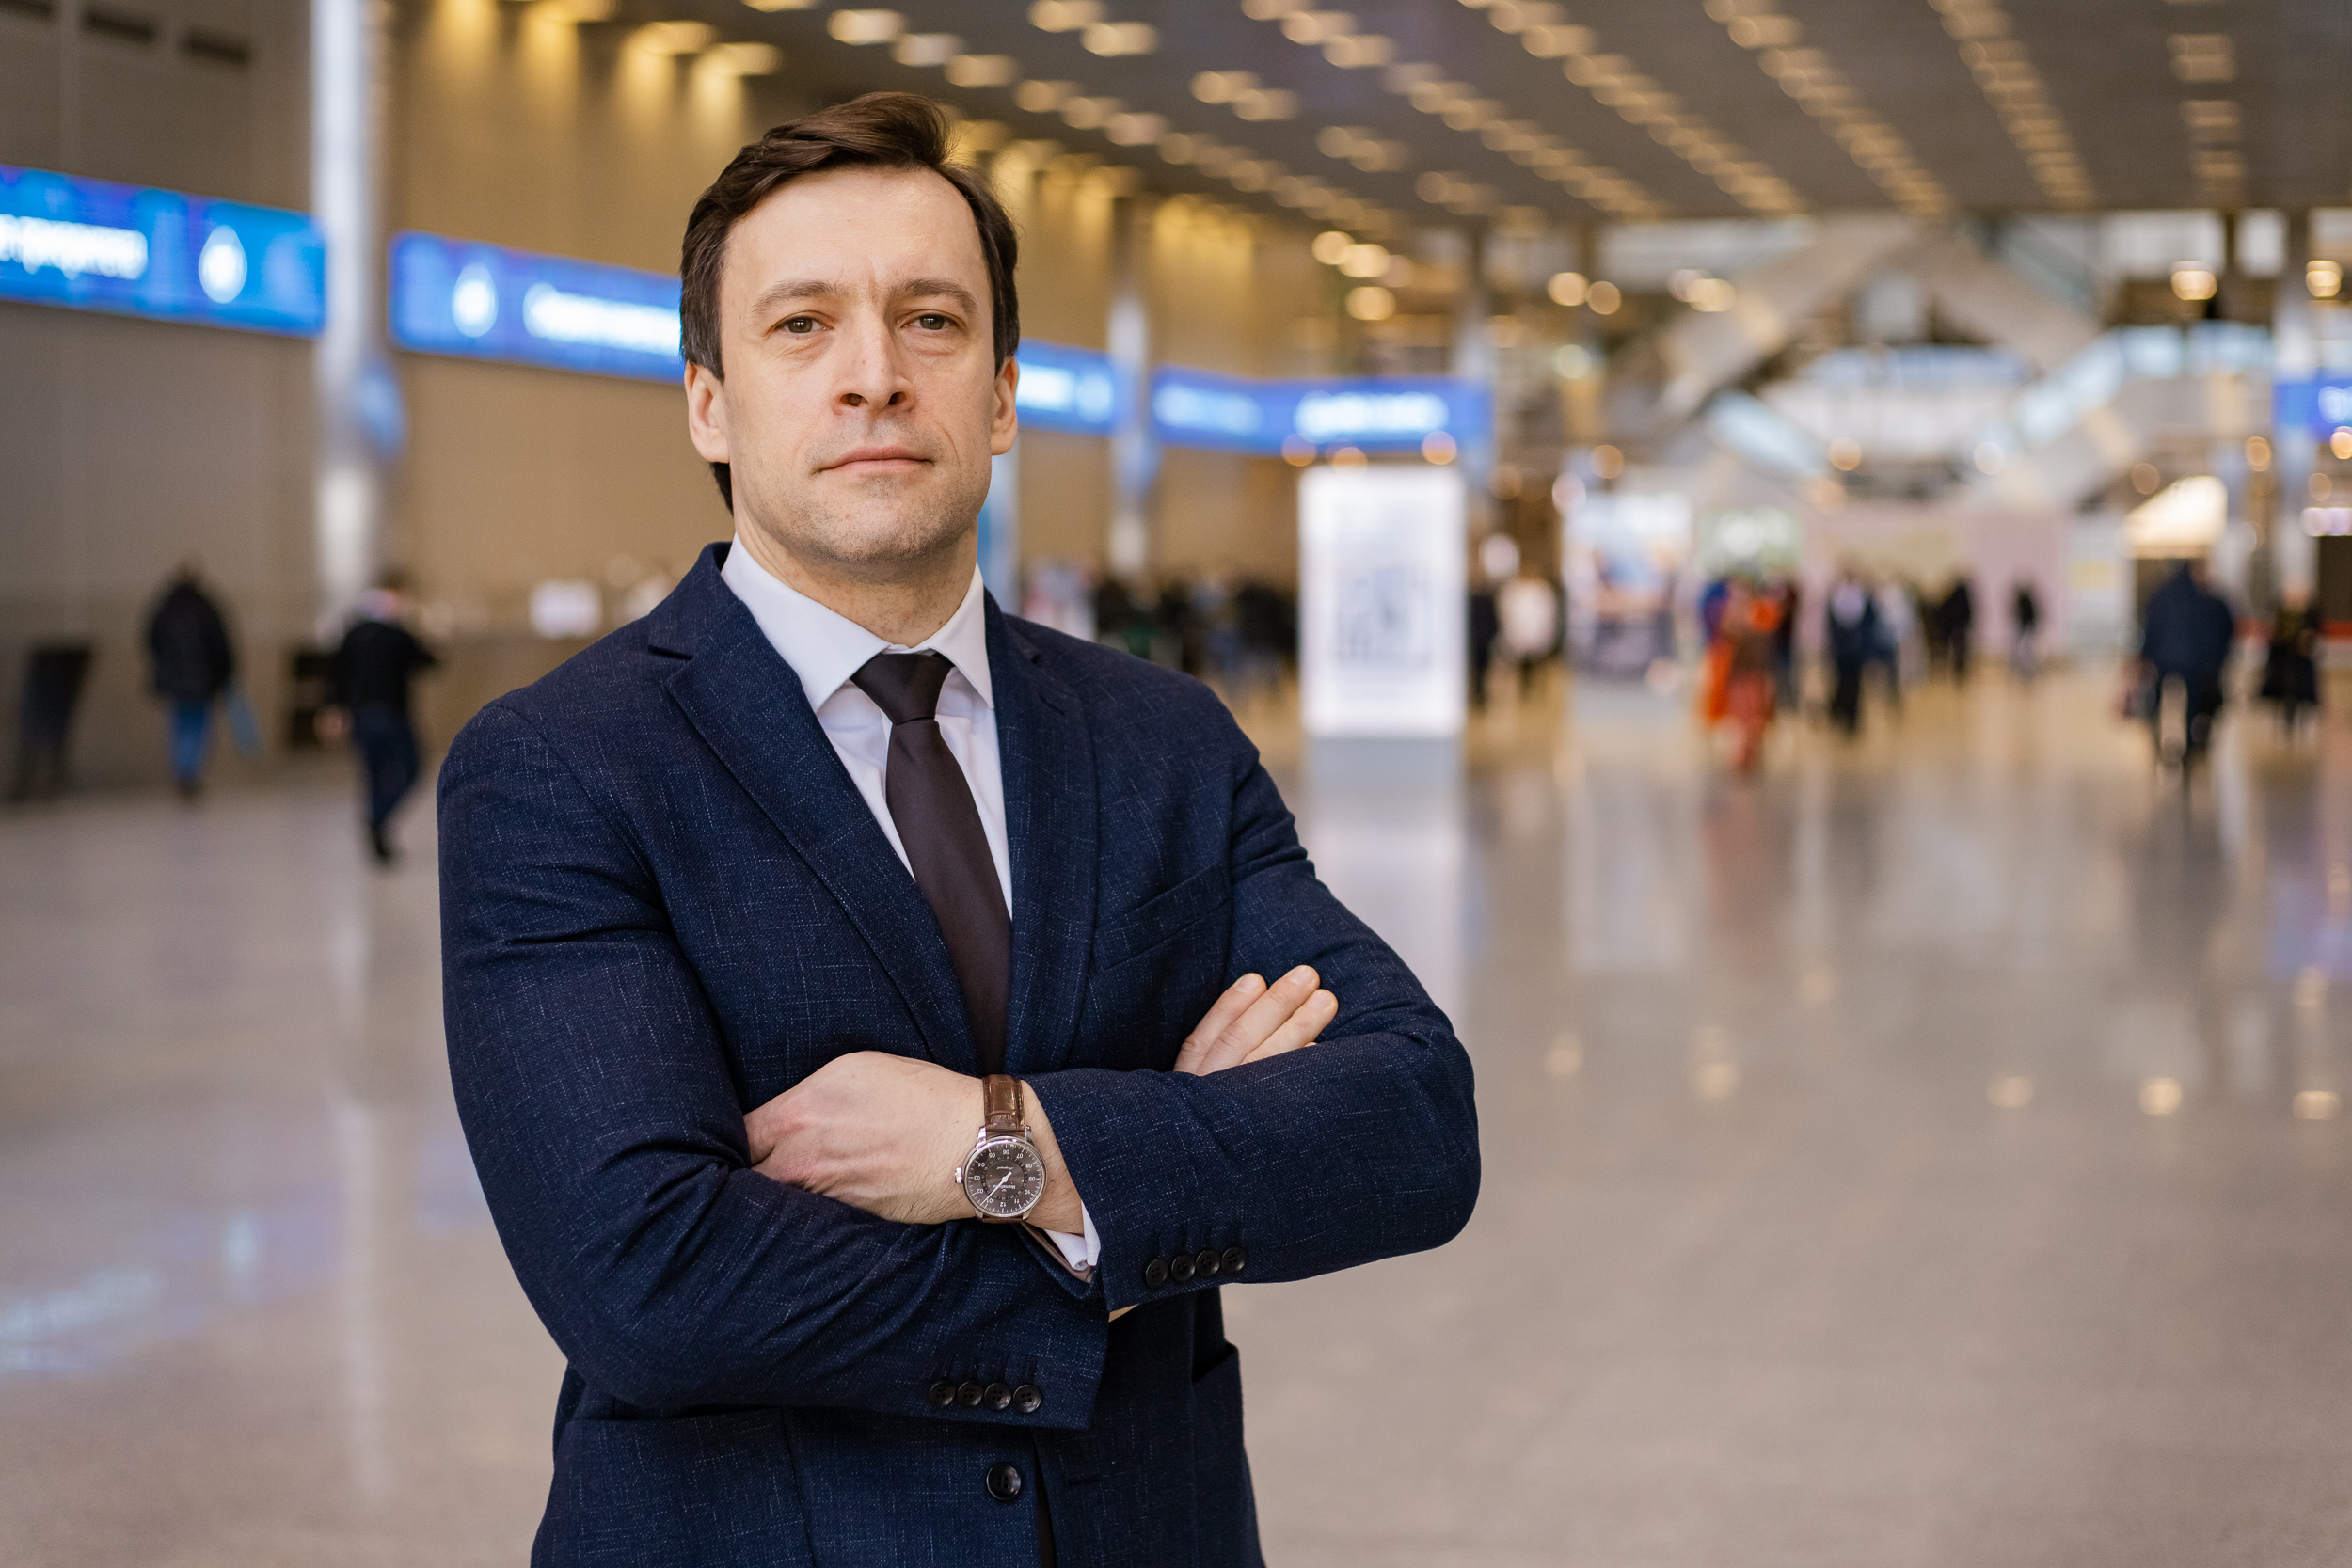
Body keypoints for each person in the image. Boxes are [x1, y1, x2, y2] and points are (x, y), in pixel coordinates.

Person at [435, 95, 1479, 1568]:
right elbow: (649, 1279)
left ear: (999, 395)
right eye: (803, 325)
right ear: (708, 402)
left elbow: (1414, 1123)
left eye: (929, 320)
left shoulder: (1163, 739)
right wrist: (1117, 1222)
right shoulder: (562, 765)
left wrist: (1001, 1143)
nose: (874, 375)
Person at [327, 574, 438, 864]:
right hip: (388, 713)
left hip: (367, 714)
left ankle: (377, 823)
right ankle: (378, 822)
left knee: (378, 775)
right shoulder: (394, 632)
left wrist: (335, 708)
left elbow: (338, 673)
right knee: (408, 768)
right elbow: (427, 662)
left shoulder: (357, 631)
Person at [144, 560, 235, 799]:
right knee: (198, 726)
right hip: (202, 679)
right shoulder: (205, 606)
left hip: (177, 681)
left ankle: (183, 770)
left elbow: (151, 639)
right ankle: (189, 772)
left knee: (180, 724)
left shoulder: (166, 607)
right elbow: (220, 644)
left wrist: (164, 668)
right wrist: (225, 672)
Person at [2137, 558, 2236, 766]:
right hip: (2192, 661)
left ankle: (2159, 739)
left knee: (2159, 700)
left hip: (2164, 659)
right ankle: (2188, 746)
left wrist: (2146, 656)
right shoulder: (2203, 596)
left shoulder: (2161, 594)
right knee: (2191, 703)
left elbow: (2152, 627)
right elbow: (2213, 631)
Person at [1824, 567, 1879, 737]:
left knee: (1853, 685)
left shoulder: (1861, 596)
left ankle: (1851, 719)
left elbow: (1869, 625)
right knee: (1843, 683)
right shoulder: (1838, 596)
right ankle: (1844, 715)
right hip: (1844, 650)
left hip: (1854, 650)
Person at [2258, 591, 2322, 736]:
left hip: (2296, 663)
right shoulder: (2280, 614)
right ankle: (2288, 719)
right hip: (2285, 662)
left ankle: (2293, 719)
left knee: (2297, 690)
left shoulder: (2308, 616)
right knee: (2287, 689)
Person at [1940, 575, 1976, 681]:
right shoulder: (1962, 597)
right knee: (1960, 650)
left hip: (1956, 627)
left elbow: (1946, 611)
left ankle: (1959, 670)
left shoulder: (1955, 597)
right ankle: (1959, 670)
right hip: (1959, 627)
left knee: (1958, 650)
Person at [2010, 577, 2042, 680]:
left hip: (2026, 626)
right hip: (2024, 626)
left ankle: (2026, 671)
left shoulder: (2023, 601)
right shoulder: (2025, 601)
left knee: (2027, 650)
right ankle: (2023, 671)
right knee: (2025, 650)